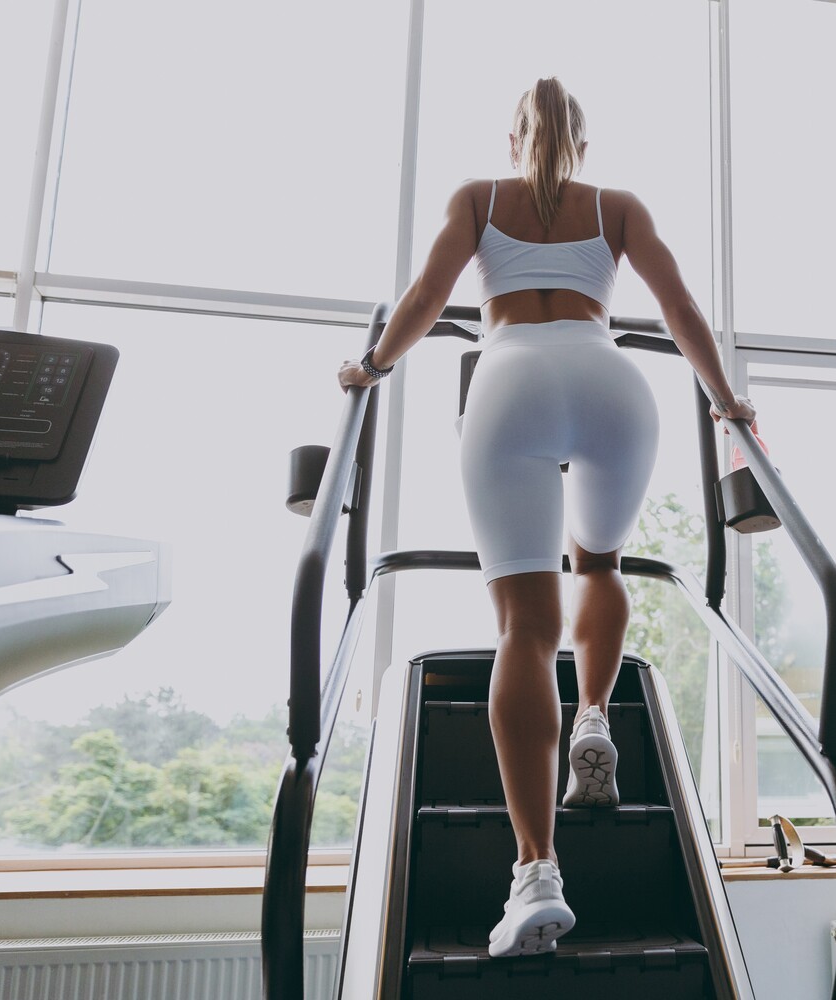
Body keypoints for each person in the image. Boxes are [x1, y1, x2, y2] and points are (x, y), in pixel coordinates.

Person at [339, 77, 756, 959]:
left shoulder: (476, 199)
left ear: (513, 137)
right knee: (598, 564)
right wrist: (726, 405)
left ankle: (535, 871)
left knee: (524, 628)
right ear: (583, 141)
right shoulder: (618, 207)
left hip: (509, 381)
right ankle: (595, 716)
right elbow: (681, 312)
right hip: (609, 381)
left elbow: (422, 299)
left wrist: (370, 368)